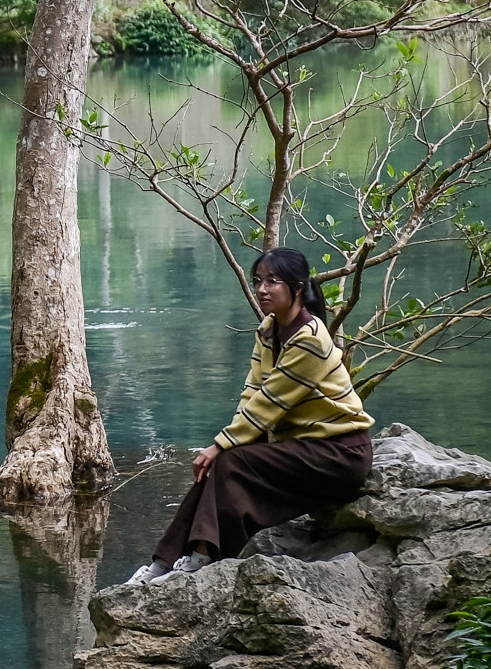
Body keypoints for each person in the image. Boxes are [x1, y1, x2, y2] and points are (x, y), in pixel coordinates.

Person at [127, 247, 375, 585]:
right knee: (221, 463)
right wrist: (225, 445)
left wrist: (219, 446)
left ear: (298, 287)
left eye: (273, 281)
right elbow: (252, 394)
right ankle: (166, 561)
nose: (262, 289)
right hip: (307, 447)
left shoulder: (311, 338)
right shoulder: (269, 330)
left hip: (339, 454)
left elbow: (270, 403)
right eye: (258, 281)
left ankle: (201, 558)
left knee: (230, 462)